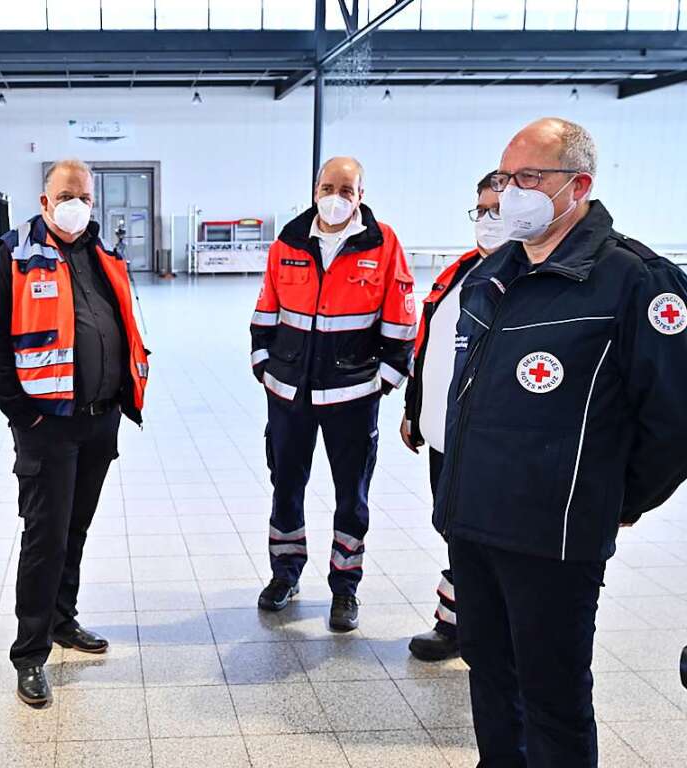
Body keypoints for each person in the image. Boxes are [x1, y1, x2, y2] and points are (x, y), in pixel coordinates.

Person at [434, 118, 687, 766]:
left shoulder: (635, 280)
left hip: (554, 536)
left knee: (552, 701)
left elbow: (675, 418)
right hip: (474, 522)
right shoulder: (492, 275)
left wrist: (612, 497)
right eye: (503, 178)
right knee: (490, 682)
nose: (510, 192)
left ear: (579, 185)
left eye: (527, 178)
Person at [0, 159, 149, 707]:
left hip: (99, 419)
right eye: (66, 194)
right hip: (46, 426)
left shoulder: (104, 255)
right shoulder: (13, 257)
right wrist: (20, 414)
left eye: (86, 197)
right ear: (45, 200)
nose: (78, 204)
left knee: (75, 528)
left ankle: (62, 620)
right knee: (44, 537)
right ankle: (29, 654)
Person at [250, 156, 417, 631]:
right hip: (288, 393)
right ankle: (285, 574)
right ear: (315, 189)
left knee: (352, 495)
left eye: (347, 189)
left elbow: (402, 320)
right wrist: (262, 361)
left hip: (353, 395)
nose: (336, 197)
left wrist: (385, 378)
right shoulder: (288, 242)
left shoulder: (383, 243)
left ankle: (345, 588)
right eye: (328, 187)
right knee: (286, 487)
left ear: (360, 194)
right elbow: (267, 307)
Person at [402, 172, 506, 661]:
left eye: (498, 211)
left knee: (487, 538)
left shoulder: (528, 278)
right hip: (446, 435)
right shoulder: (460, 271)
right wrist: (414, 410)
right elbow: (430, 348)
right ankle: (456, 624)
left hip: (492, 445)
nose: (487, 222)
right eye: (481, 210)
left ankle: (486, 633)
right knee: (453, 530)